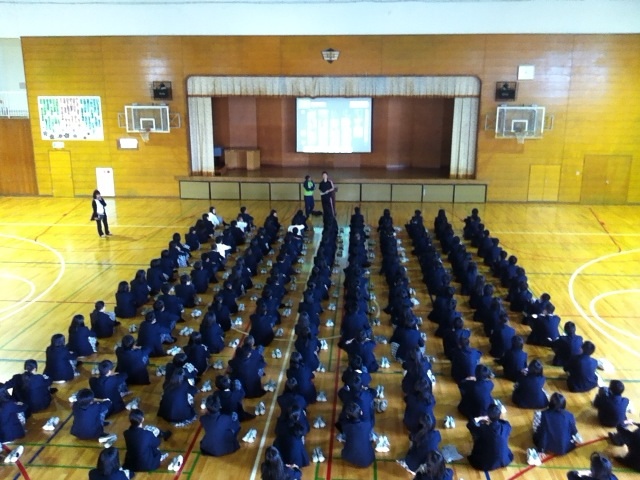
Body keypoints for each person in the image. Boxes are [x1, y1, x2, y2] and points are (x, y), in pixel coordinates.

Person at [467, 403, 513, 471]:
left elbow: (470, 425)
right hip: (504, 460)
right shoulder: (505, 426)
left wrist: (480, 418)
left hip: (484, 463)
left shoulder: (482, 429)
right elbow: (505, 424)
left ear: (488, 416)